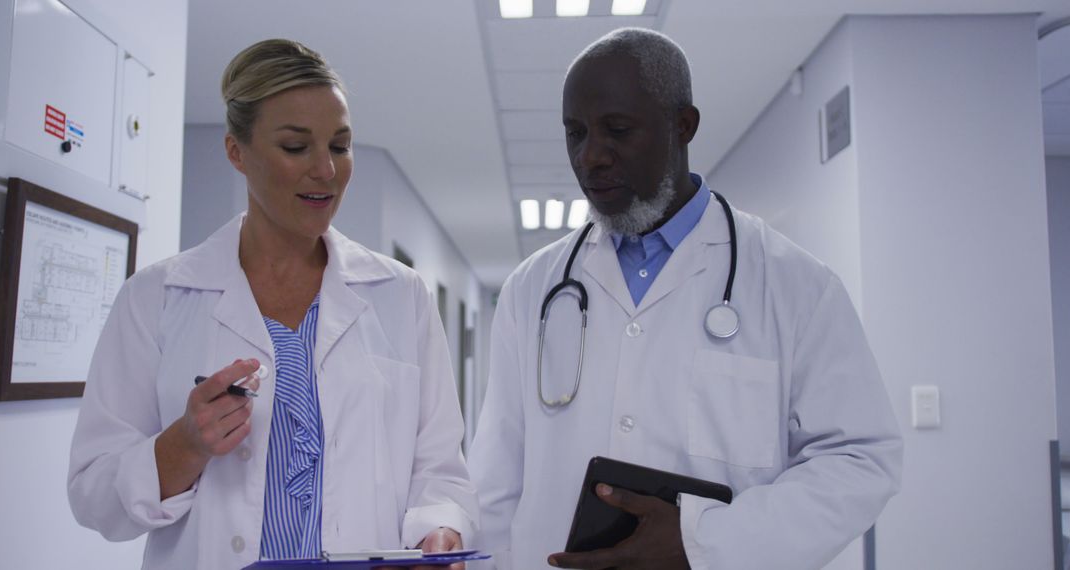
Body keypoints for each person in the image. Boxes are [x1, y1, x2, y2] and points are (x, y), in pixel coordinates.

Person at [468, 28, 902, 569]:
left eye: (617, 130)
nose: (590, 157)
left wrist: (707, 541)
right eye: (575, 133)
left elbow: (861, 459)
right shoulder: (534, 289)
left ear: (683, 125)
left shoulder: (795, 286)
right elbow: (495, 482)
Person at [68, 39, 476, 569]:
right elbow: (93, 496)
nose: (326, 170)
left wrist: (439, 528)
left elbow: (440, 467)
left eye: (341, 145)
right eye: (295, 147)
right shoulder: (157, 298)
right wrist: (184, 445)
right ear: (237, 151)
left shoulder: (400, 294)